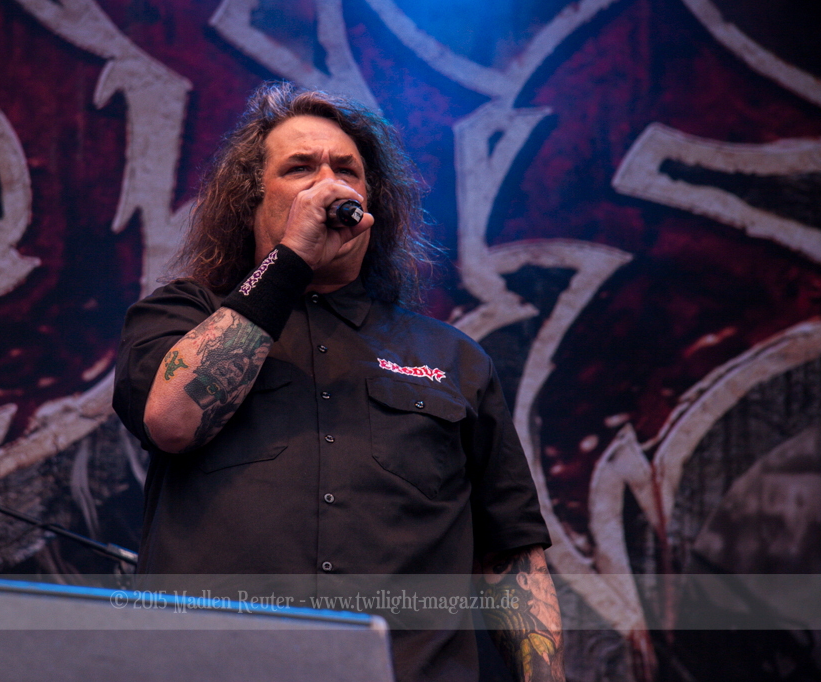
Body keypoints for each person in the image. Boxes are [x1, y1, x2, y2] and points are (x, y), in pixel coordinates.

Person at [113, 81, 564, 682]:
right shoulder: (181, 317)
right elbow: (173, 420)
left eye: (346, 170)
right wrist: (291, 258)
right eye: (300, 168)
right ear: (250, 200)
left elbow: (512, 553)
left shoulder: (453, 358)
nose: (329, 184)